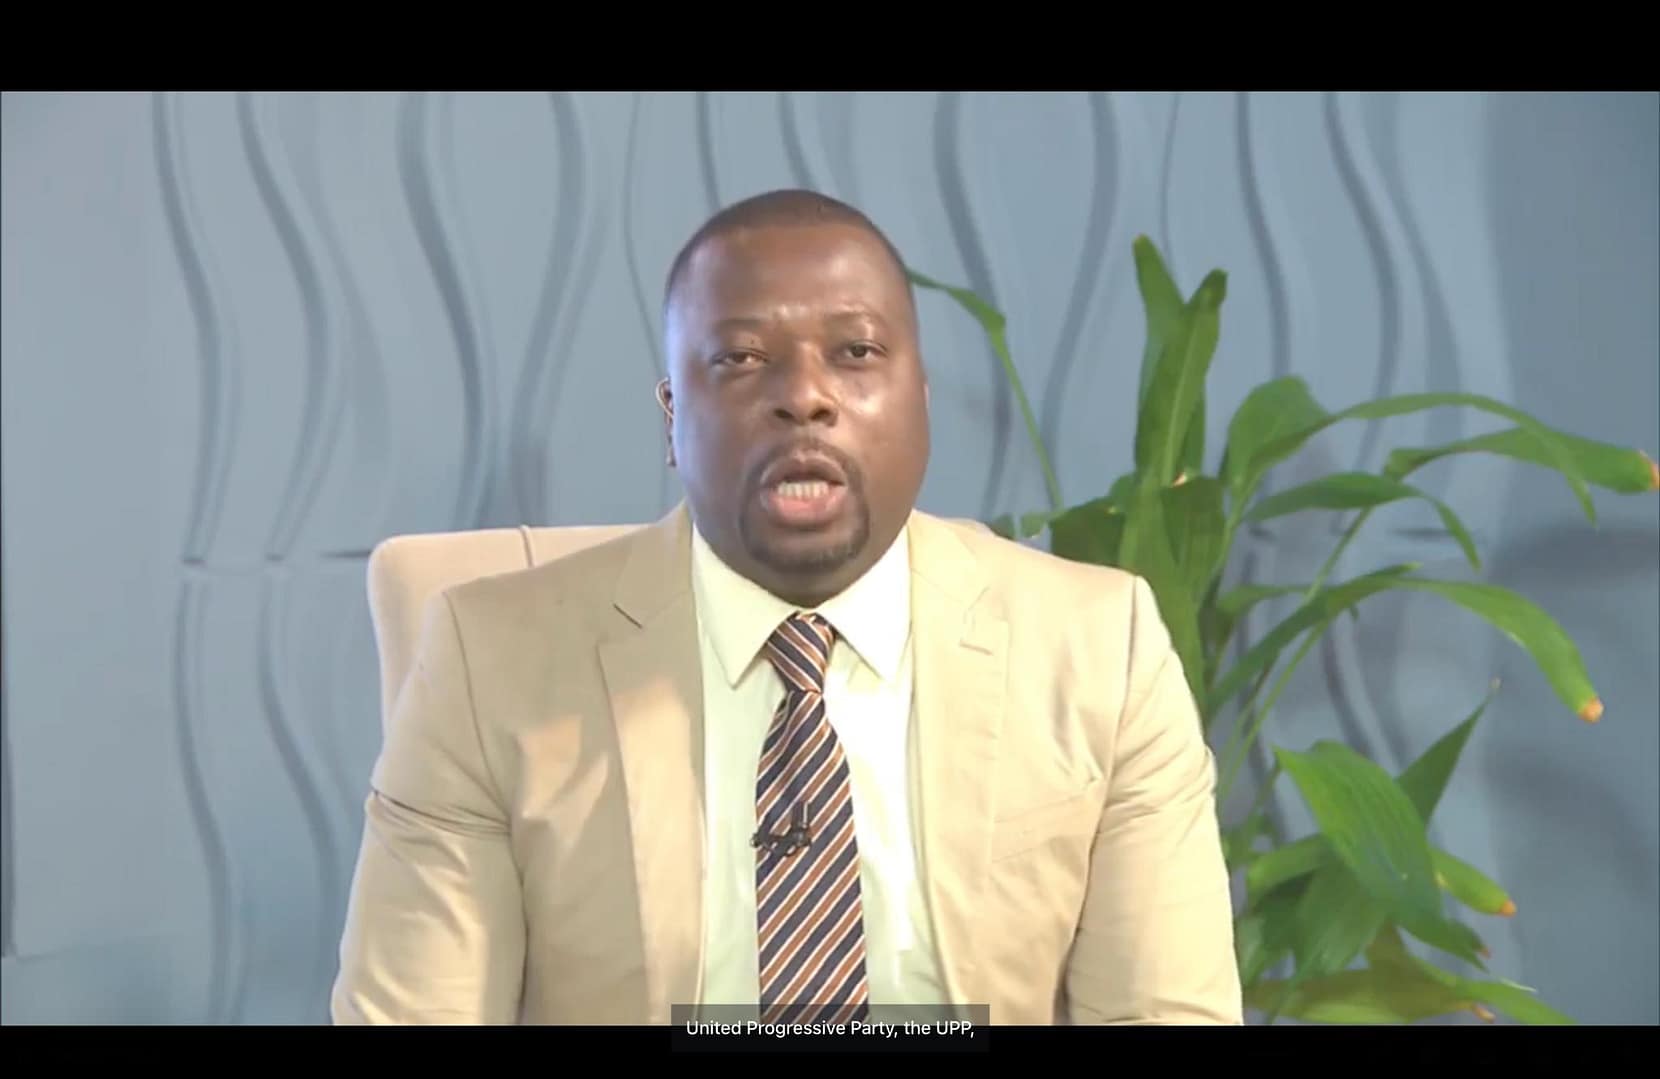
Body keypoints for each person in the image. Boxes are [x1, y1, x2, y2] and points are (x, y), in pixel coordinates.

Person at [331, 189, 1242, 1026]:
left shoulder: (1099, 647)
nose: (804, 397)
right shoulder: (490, 662)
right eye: (740, 359)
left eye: (857, 353)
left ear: (920, 401)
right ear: (671, 415)